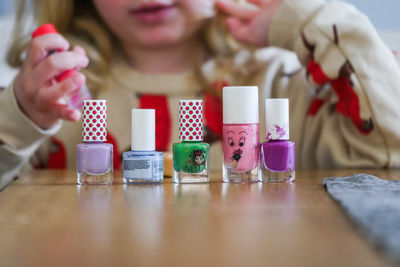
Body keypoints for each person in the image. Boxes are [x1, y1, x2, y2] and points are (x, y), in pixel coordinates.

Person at [1, 0, 400, 189]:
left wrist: (306, 19)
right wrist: (22, 114)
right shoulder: (55, 97)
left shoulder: (283, 83)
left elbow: (391, 148)